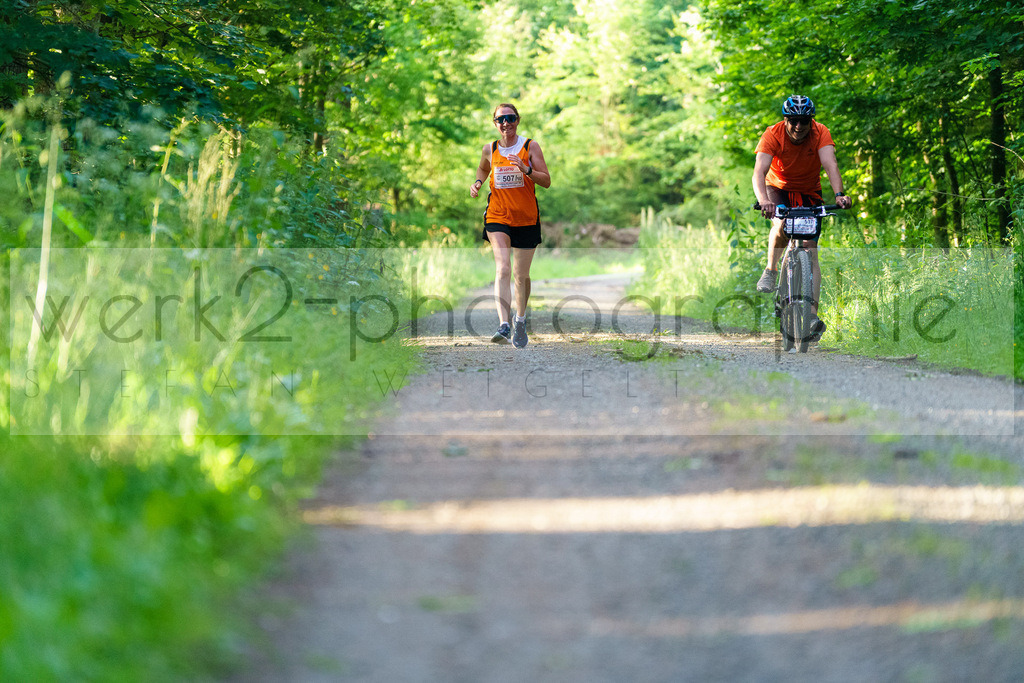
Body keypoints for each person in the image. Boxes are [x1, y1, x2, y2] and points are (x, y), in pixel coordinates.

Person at [752, 94, 853, 340]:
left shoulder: (821, 133)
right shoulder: (772, 134)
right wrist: (764, 200)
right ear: (786, 119)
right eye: (794, 120)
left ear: (811, 121)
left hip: (809, 190)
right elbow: (759, 170)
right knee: (782, 224)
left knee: (810, 248)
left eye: (804, 121)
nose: (799, 126)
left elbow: (830, 164)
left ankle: (810, 317)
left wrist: (839, 195)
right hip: (777, 188)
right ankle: (771, 269)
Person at [470, 103, 551, 348]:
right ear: (494, 123)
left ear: (517, 120)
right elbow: (484, 168)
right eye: (500, 119)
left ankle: (520, 319)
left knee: (520, 275)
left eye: (510, 118)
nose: (506, 123)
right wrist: (477, 182)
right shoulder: (490, 149)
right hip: (497, 216)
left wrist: (526, 169)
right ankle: (504, 325)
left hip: (526, 218)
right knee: (503, 268)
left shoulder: (530, 146)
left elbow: (546, 181)